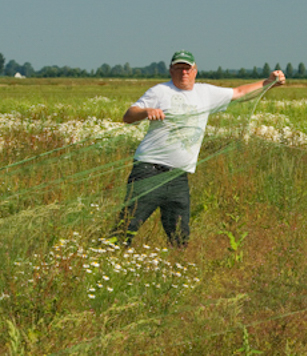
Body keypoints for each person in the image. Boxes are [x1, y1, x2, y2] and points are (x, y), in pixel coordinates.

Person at [110, 50, 285, 247]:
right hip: (149, 171)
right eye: (178, 68)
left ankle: (176, 268)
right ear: (171, 70)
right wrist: (146, 111)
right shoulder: (159, 91)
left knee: (179, 235)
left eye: (187, 68)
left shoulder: (206, 93)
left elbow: (239, 93)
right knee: (126, 226)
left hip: (178, 177)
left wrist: (268, 82)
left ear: (195, 71)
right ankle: (109, 255)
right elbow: (128, 115)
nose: (183, 72)